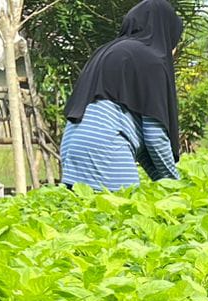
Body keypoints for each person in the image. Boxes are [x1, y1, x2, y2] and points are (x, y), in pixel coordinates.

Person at [60, 0, 184, 191]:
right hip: (104, 151)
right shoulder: (152, 60)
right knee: (121, 215)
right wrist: (177, 186)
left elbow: (134, 136)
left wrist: (161, 179)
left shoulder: (106, 52)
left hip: (71, 148)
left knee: (85, 216)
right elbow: (154, 136)